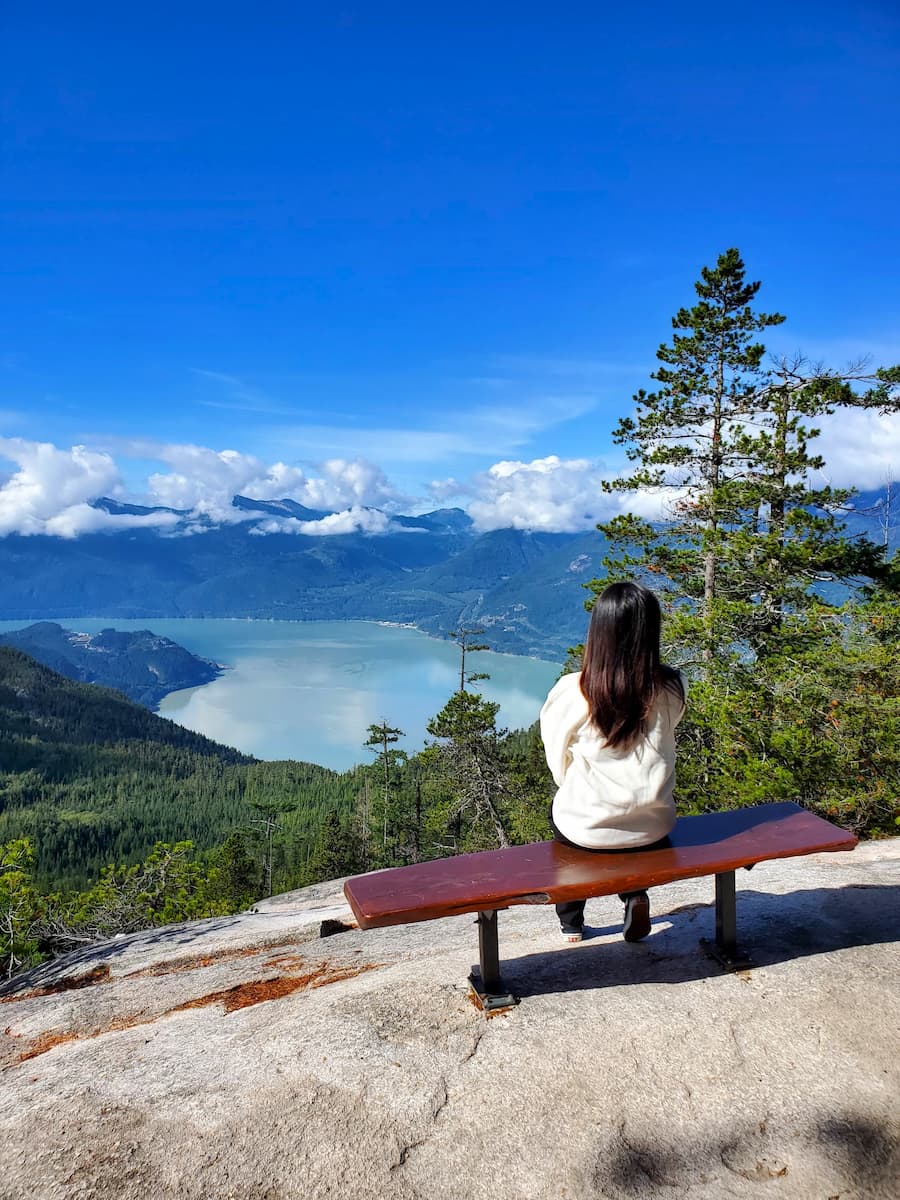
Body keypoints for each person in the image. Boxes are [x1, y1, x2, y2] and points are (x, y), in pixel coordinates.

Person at [539, 580, 686, 943]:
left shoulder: (574, 690)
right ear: (651, 631)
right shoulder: (671, 687)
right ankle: (634, 893)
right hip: (653, 830)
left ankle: (571, 923)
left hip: (588, 828)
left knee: (562, 818)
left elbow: (557, 758)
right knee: (615, 823)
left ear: (598, 632)